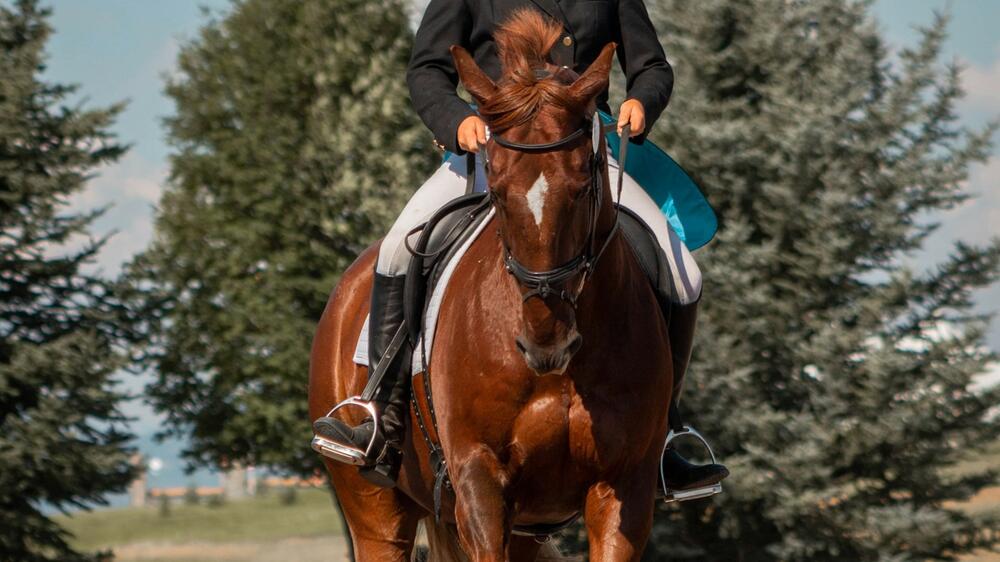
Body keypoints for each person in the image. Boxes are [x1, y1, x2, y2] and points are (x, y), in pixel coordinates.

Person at [313, 0, 729, 496]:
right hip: (493, 148)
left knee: (683, 273)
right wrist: (455, 121)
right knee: (400, 248)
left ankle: (663, 434)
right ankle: (379, 410)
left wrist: (643, 99)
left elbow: (652, 64)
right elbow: (427, 69)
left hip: (577, 154)